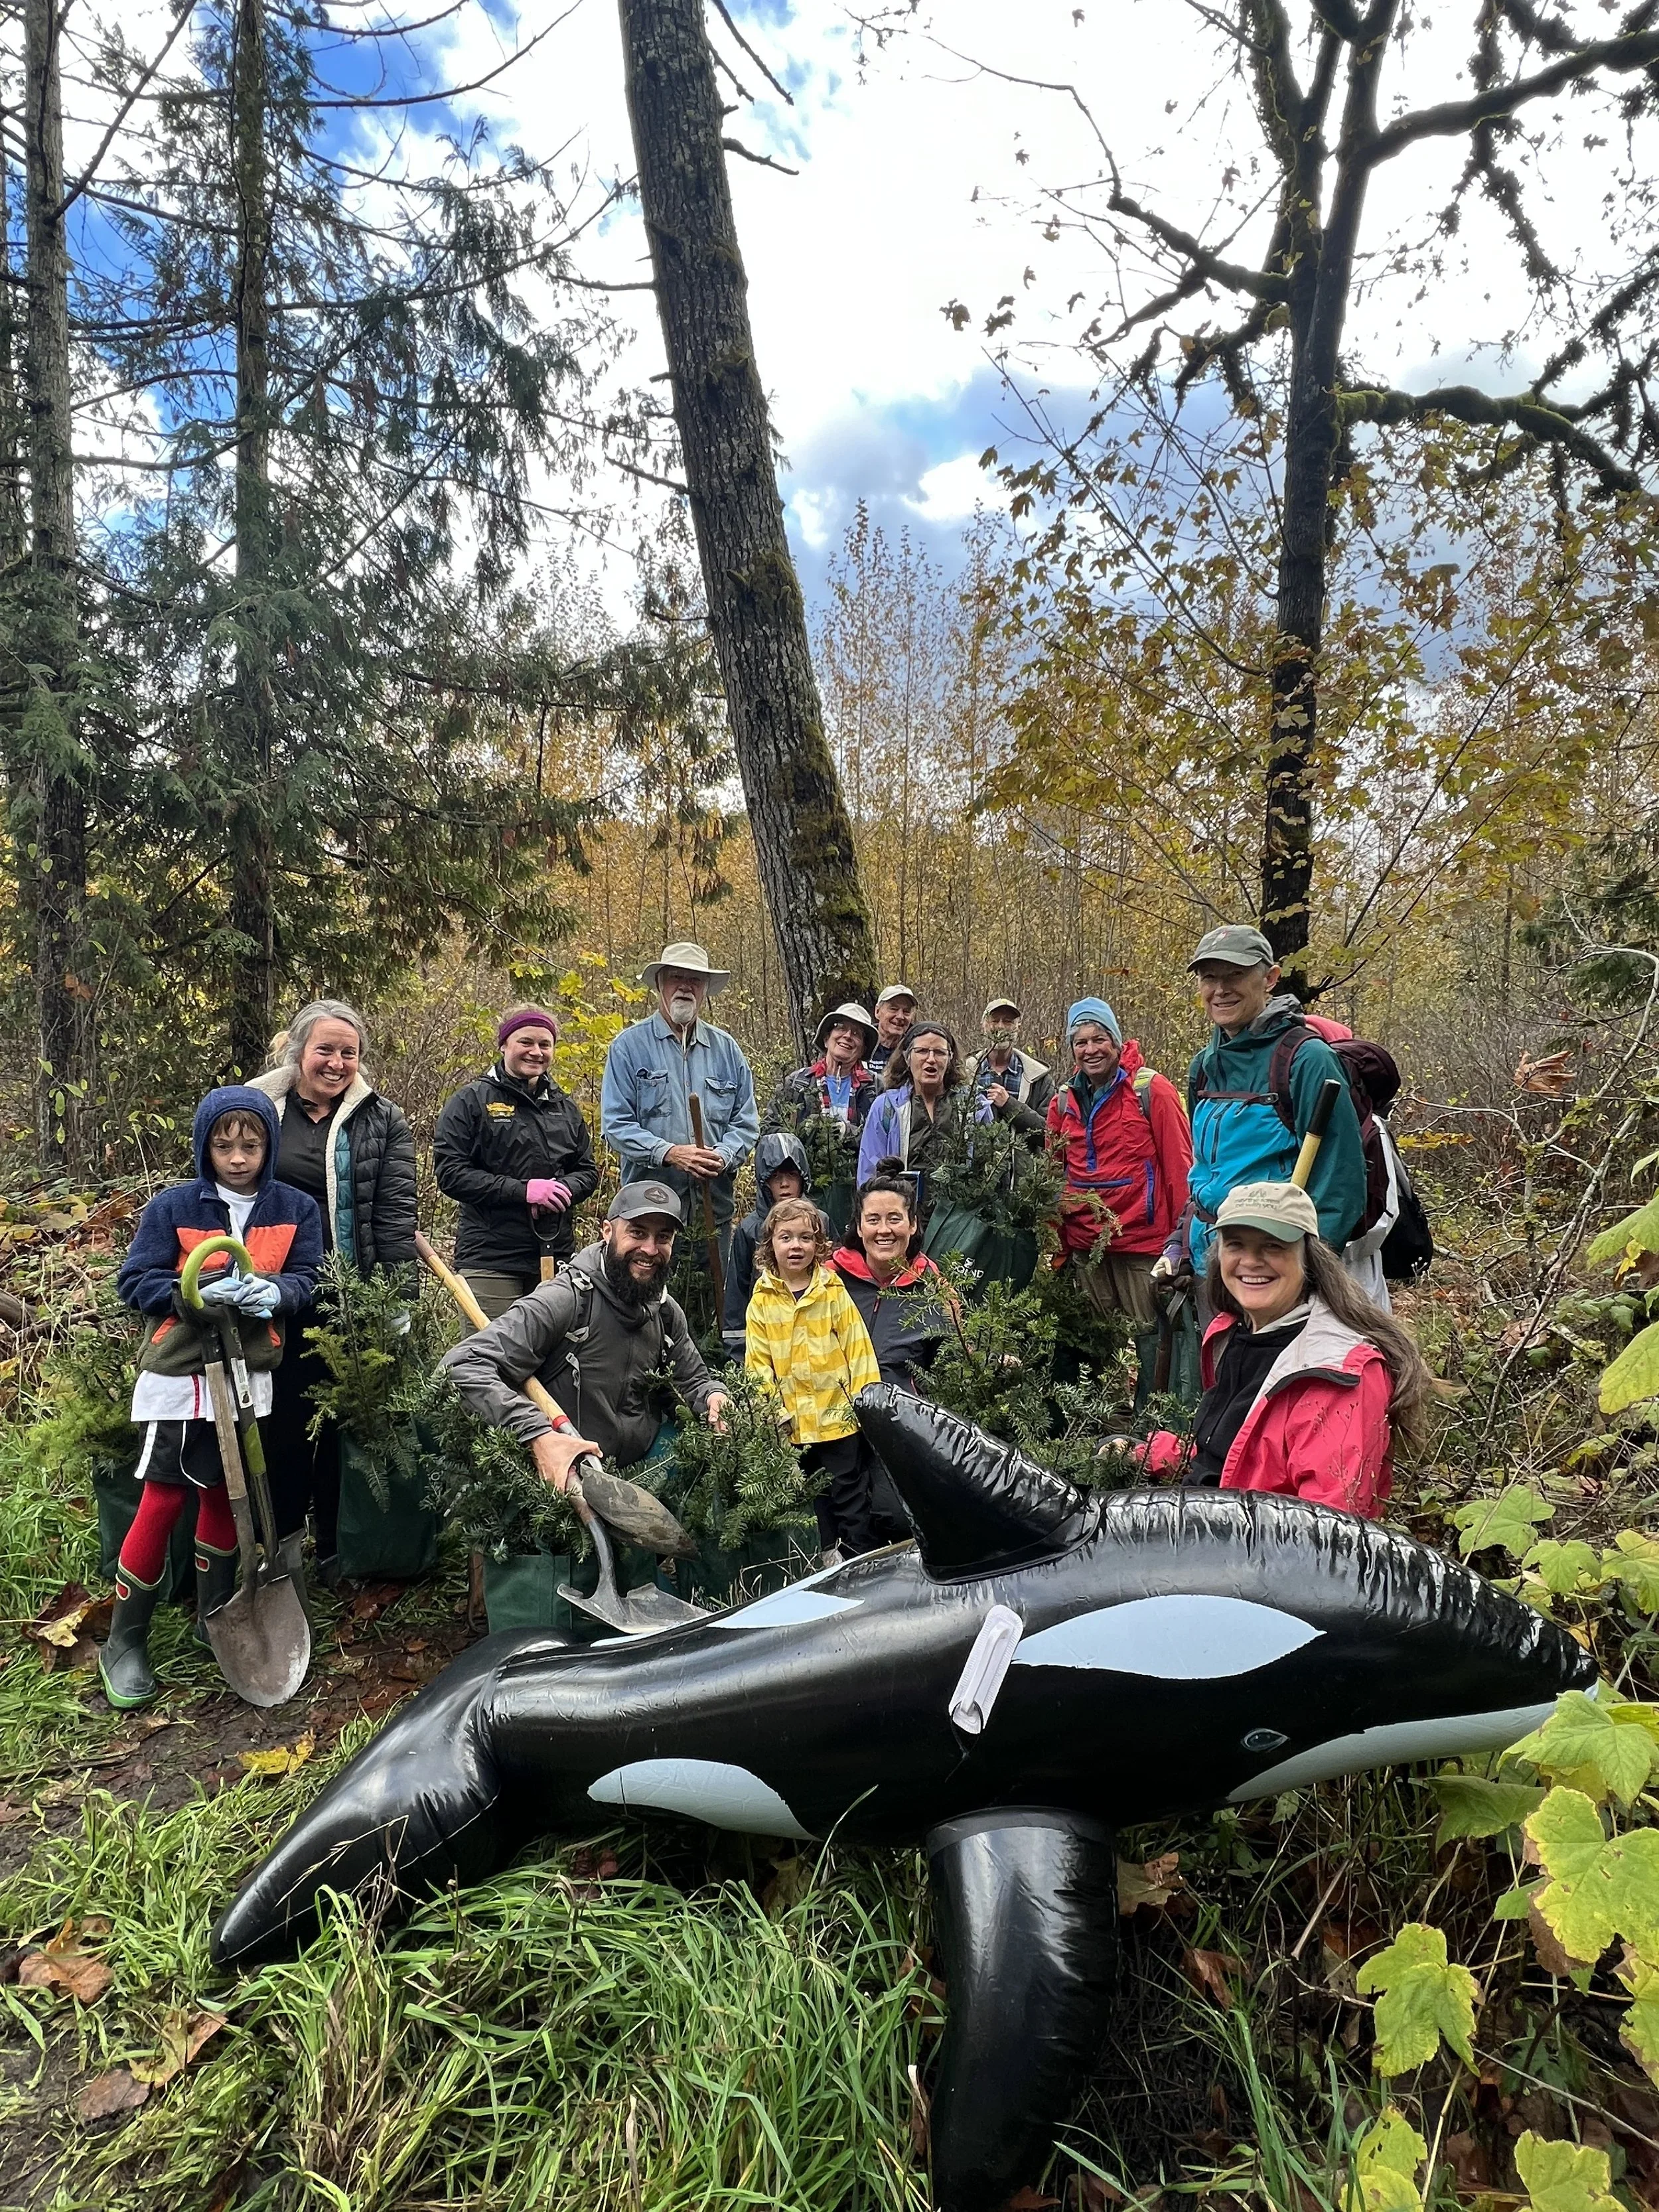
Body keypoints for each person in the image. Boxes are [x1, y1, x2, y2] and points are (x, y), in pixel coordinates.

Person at [105, 1087, 323, 1707]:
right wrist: (188, 1290)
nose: (236, 1156)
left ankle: (215, 1617)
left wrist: (273, 1295)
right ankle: (126, 1640)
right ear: (205, 1146)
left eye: (250, 1144)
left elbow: (307, 1278)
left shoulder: (295, 1207)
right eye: (223, 1144)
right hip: (179, 1379)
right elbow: (135, 1279)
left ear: (269, 1146)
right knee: (163, 1498)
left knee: (227, 1496)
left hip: (246, 1372)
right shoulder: (174, 1205)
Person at [250, 999, 419, 1582]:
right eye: (326, 1049)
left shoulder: (382, 1119)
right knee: (287, 1423)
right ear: (299, 1050)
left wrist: (397, 1300)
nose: (337, 1062)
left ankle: (337, 1548)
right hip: (272, 1295)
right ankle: (285, 1544)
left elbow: (395, 1215)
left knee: (344, 1424)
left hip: (350, 1296)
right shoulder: (258, 1108)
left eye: (349, 1052)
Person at [1139, 1182, 1430, 1516]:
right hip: (1209, 1521)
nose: (1250, 1261)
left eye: (1273, 1246)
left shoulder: (1339, 1376)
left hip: (1249, 1552)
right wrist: (1147, 1452)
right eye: (1235, 1245)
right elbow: (1229, 1455)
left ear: (1309, 1259)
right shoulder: (1235, 1331)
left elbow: (1329, 1533)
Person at [441, 1183, 729, 1495]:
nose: (650, 1249)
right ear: (607, 1231)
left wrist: (713, 1396)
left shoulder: (665, 1312)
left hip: (642, 1472)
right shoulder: (565, 1300)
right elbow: (462, 1365)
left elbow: (694, 1380)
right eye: (637, 1233)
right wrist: (537, 1434)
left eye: (663, 1237)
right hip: (564, 1479)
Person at [1177, 925, 1366, 1280]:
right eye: (1209, 978)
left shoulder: (1306, 1059)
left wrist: (1308, 1273)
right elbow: (1205, 1169)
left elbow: (1341, 1180)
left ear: (1270, 978)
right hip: (1210, 1261)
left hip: (1273, 1269)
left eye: (1236, 974)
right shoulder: (1203, 1067)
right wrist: (1179, 1241)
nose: (1220, 990)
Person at [599, 940, 760, 1292]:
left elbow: (746, 1122)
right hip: (649, 1217)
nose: (685, 986)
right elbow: (615, 1124)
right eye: (676, 977)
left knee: (711, 1306)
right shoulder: (628, 1047)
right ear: (659, 984)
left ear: (705, 990)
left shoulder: (727, 1050)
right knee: (646, 1303)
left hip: (711, 1211)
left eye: (695, 980)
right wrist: (671, 1153)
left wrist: (723, 1155)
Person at [1046, 999, 1193, 1382]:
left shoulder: (1151, 1090)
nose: (1090, 1049)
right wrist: (1058, 1242)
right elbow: (1053, 1177)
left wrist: (1184, 1243)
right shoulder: (1062, 1101)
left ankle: (1153, 1426)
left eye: (1099, 1039)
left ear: (1116, 1041)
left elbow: (1180, 1168)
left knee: (1153, 1337)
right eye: (1080, 1042)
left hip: (1143, 1243)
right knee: (1097, 1341)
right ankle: (1103, 1425)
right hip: (1086, 1244)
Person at [744, 1196, 889, 1559]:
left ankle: (861, 1557)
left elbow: (858, 1349)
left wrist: (865, 1402)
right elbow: (758, 1366)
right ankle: (823, 1560)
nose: (796, 1246)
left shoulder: (832, 1292)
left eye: (806, 1238)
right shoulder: (762, 1301)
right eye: (786, 1237)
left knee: (849, 1492)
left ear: (819, 1245)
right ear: (770, 1245)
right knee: (811, 1499)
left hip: (838, 1419)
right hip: (792, 1425)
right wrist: (771, 1413)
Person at [433, 1005, 599, 1321]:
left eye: (544, 1044)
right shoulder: (470, 1101)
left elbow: (587, 1171)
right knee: (490, 1355)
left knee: (549, 1357)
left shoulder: (565, 1107)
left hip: (554, 1256)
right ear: (504, 1045)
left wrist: (563, 1189)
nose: (536, 1052)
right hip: (490, 1259)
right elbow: (451, 1173)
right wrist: (524, 1192)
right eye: (526, 1042)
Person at [831, 1174, 957, 1393]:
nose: (883, 1230)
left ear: (913, 1225)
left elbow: (954, 1365)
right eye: (873, 1220)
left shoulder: (934, 1291)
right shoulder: (831, 1282)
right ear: (860, 1227)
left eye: (894, 1219)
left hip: (903, 1421)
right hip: (831, 1420)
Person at [768, 1001, 878, 1236]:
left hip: (856, 1191)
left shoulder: (875, 1088)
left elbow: (883, 1140)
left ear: (863, 1047)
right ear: (827, 1038)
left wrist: (848, 1133)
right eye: (841, 1028)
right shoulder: (798, 1083)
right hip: (806, 1191)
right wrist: (804, 1134)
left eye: (857, 1034)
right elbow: (770, 1130)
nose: (848, 1036)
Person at [857, 1021, 990, 1213]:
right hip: (903, 1218)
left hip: (961, 1221)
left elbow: (991, 1170)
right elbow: (868, 1173)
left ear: (951, 1059)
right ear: (907, 1056)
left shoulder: (974, 1106)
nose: (931, 1059)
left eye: (939, 1052)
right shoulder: (886, 1107)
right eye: (922, 1051)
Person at [723, 1131, 812, 1355]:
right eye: (775, 1177)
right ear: (765, 1182)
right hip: (767, 1340)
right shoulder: (749, 1229)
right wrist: (738, 1355)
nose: (784, 1184)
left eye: (791, 1175)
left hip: (815, 1338)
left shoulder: (819, 1222)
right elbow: (738, 1293)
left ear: (803, 1178)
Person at [967, 996, 1055, 1138]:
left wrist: (1010, 1105)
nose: (1001, 1027)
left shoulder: (1037, 1078)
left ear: (1017, 1028)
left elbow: (1050, 1135)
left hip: (1021, 1160)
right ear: (983, 1026)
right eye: (995, 1021)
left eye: (1008, 1022)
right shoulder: (965, 1072)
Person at [867, 984, 917, 1079]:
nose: (900, 1016)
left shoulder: (914, 1049)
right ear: (877, 1012)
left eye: (906, 1012)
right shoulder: (863, 1044)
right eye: (893, 1009)